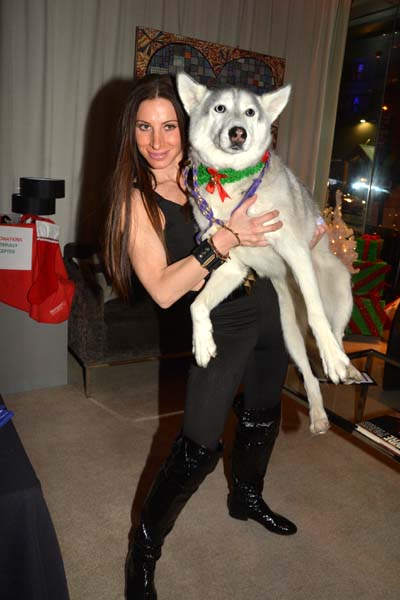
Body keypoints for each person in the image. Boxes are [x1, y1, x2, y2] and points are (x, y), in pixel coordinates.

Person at [105, 74, 325, 600]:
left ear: (189, 127)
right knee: (198, 445)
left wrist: (307, 226)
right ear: (131, 135)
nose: (158, 142)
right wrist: (224, 240)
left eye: (169, 127)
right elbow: (161, 291)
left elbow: (283, 198)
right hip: (223, 324)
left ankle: (246, 496)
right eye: (144, 128)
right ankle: (143, 548)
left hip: (268, 308)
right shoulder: (141, 201)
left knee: (263, 413)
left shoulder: (219, 170)